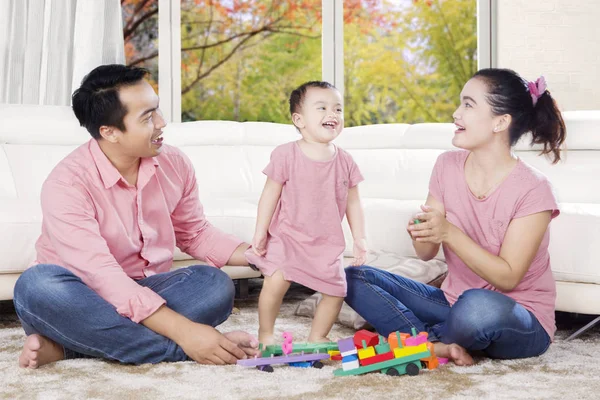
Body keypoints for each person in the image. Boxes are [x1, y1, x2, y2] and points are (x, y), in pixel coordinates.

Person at [13, 64, 260, 368]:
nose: (162, 122)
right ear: (109, 132)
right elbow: (101, 275)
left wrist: (259, 255)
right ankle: (177, 349)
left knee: (215, 284)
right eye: (147, 117)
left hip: (145, 290)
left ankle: (71, 348)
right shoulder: (67, 184)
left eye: (156, 110)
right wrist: (189, 335)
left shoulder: (174, 163)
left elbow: (194, 233)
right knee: (36, 285)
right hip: (80, 296)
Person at [345, 68, 566, 365]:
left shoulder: (534, 189)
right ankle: (436, 345)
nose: (455, 113)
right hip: (451, 303)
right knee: (352, 277)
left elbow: (509, 277)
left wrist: (449, 232)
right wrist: (423, 233)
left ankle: (417, 338)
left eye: (468, 104)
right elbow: (426, 255)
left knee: (476, 309)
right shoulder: (447, 165)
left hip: (517, 314)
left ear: (500, 122)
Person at [246, 81, 368, 346]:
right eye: (322, 108)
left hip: (327, 243)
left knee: (337, 291)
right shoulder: (286, 154)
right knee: (275, 283)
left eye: (338, 109)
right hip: (288, 237)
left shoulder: (345, 160)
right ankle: (266, 333)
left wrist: (360, 239)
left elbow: (354, 203)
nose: (332, 114)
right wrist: (260, 232)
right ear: (299, 119)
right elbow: (269, 195)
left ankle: (317, 336)